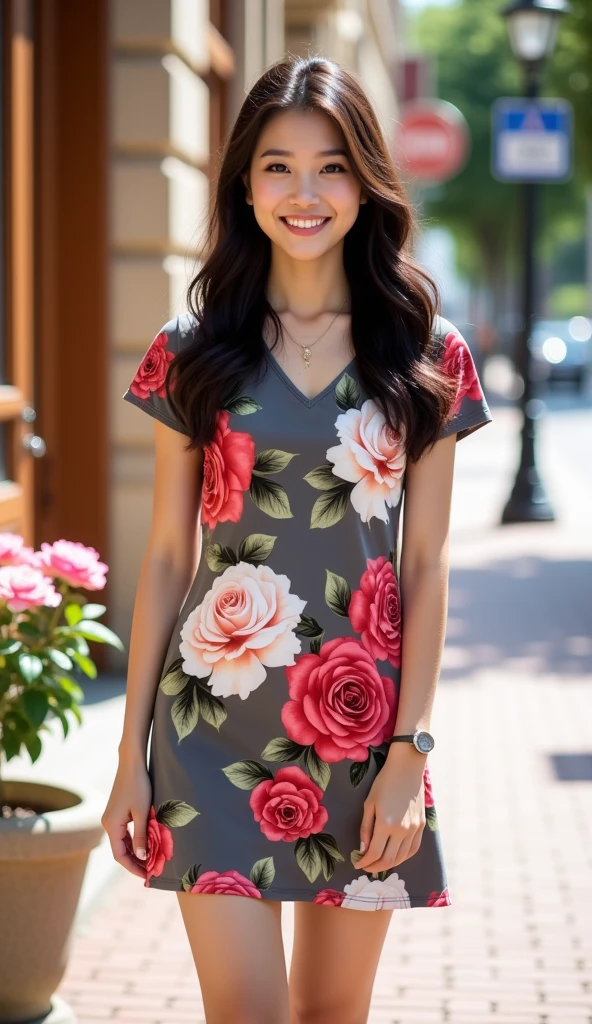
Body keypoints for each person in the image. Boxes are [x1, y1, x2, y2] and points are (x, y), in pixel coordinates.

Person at [102, 55, 492, 1024]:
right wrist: (129, 757)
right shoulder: (189, 349)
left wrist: (409, 752)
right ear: (244, 182)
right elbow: (163, 555)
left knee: (330, 1014)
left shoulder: (427, 355)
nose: (304, 193)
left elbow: (427, 565)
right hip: (208, 731)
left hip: (363, 735)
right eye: (278, 166)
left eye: (331, 167)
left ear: (365, 181)